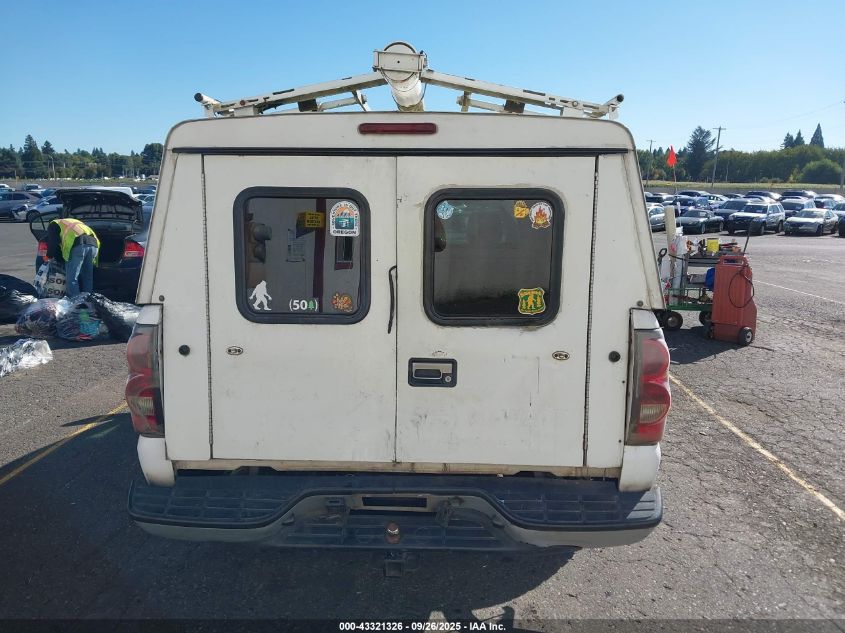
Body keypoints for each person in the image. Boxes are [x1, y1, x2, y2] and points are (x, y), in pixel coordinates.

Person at [46, 217, 100, 297]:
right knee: (87, 276)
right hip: (93, 245)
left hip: (78, 245)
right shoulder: (72, 221)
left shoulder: (53, 224)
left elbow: (54, 242)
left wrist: (49, 256)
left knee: (72, 277)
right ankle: (87, 299)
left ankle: (74, 301)